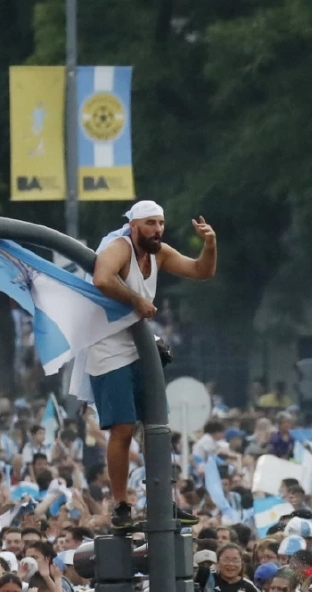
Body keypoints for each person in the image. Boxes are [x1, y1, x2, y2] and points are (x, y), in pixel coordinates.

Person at [90, 200, 218, 529]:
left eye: (160, 223)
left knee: (158, 428)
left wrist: (210, 244)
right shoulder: (119, 247)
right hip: (109, 348)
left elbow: (201, 271)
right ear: (133, 226)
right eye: (150, 224)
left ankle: (163, 500)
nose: (157, 230)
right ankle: (121, 504)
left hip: (141, 347)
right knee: (122, 428)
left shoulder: (158, 252)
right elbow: (102, 278)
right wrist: (136, 300)